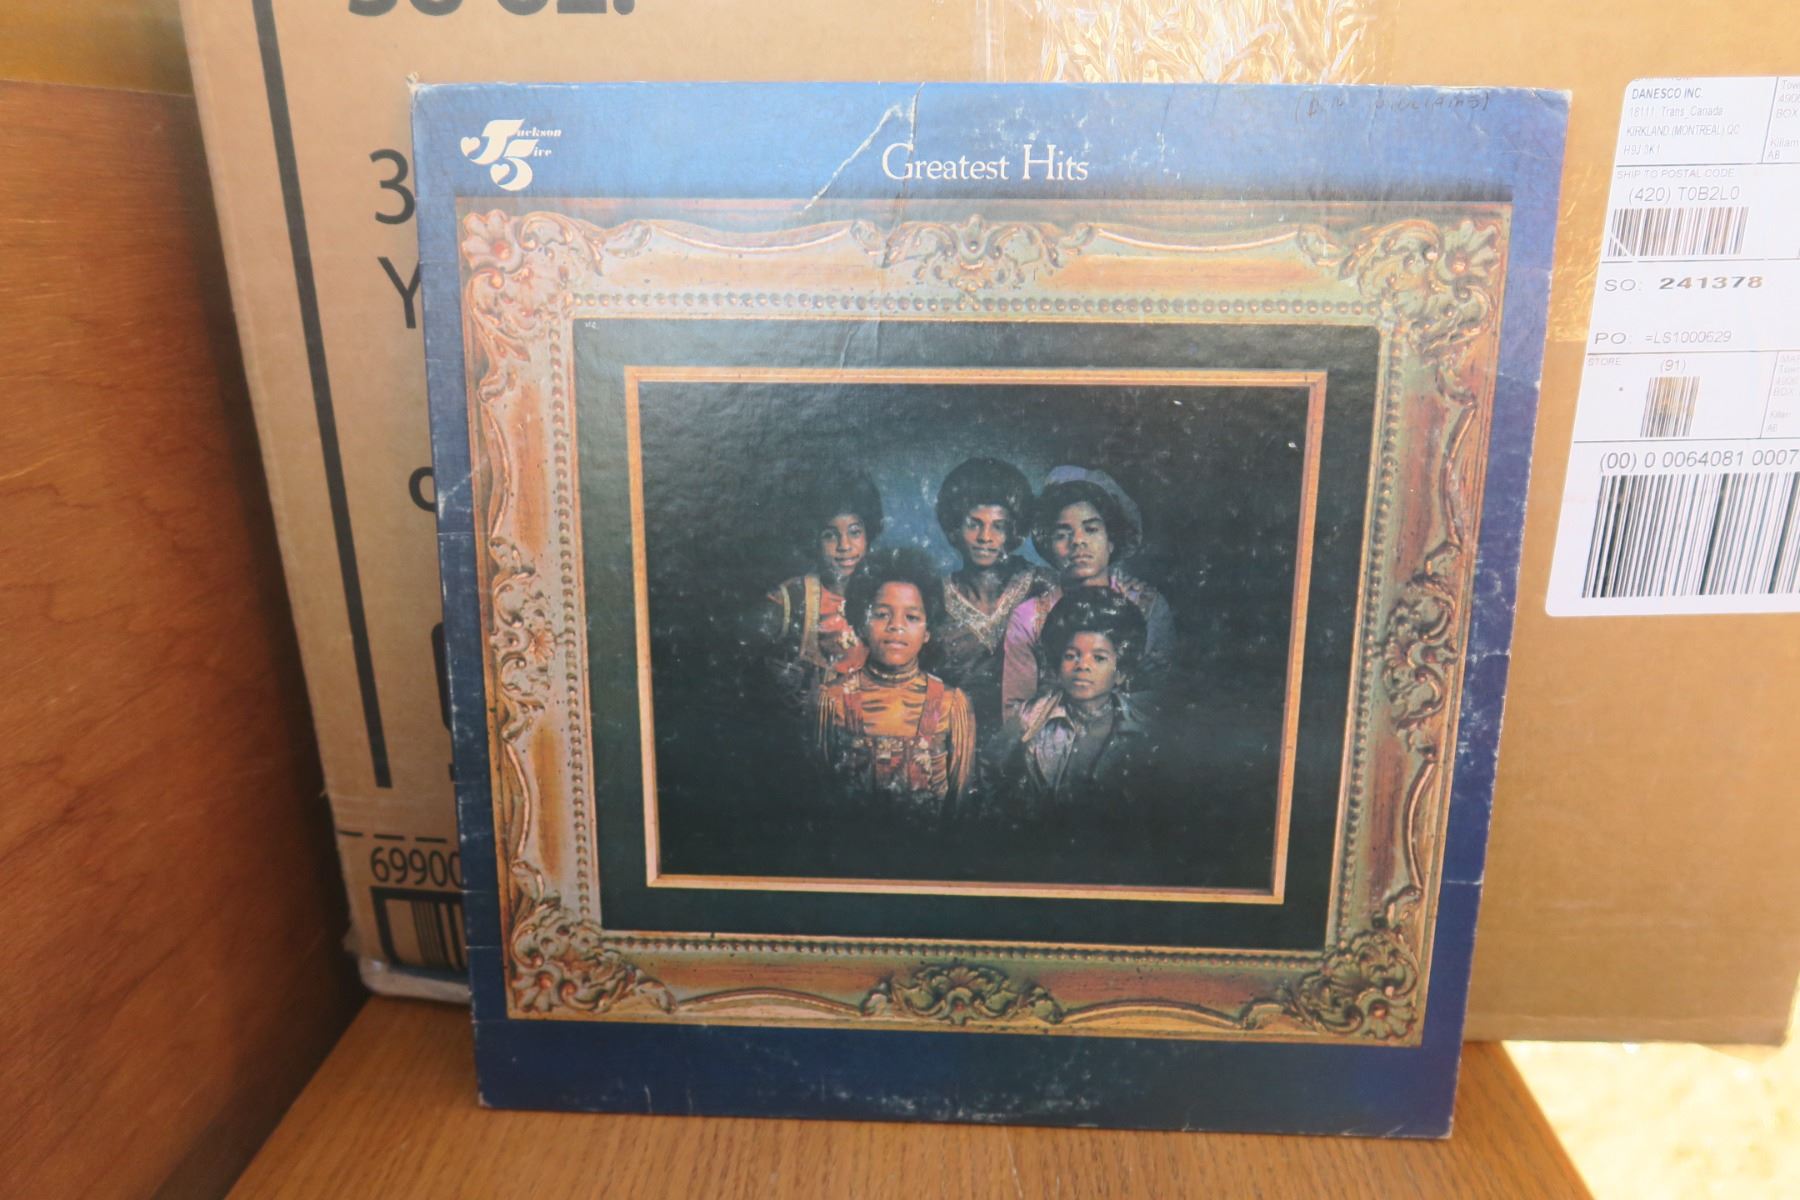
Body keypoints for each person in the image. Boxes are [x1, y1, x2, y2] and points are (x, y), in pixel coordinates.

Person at [815, 548, 975, 831]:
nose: (896, 627)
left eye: (911, 617)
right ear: (861, 624)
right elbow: (817, 794)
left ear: (928, 631)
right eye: (881, 614)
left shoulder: (950, 703)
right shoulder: (832, 699)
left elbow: (959, 805)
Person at [999, 466, 1174, 723]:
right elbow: (1015, 715)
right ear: (1049, 546)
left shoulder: (1147, 606)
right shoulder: (1029, 617)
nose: (1078, 541)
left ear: (1111, 540)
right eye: (1062, 534)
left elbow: (1165, 703)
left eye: (1091, 529)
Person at [932, 457, 1055, 732]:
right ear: (954, 528)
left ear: (1014, 532)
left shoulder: (1042, 586)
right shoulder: (933, 597)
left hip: (1034, 736)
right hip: (953, 736)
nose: (985, 537)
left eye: (998, 526)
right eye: (973, 524)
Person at [1000, 589, 1150, 812]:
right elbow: (990, 772)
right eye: (1071, 656)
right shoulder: (1029, 719)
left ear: (1121, 672)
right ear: (1058, 666)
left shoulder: (1144, 727)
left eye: (1098, 658)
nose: (1082, 666)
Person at [755, 467, 882, 720]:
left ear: (869, 534)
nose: (844, 546)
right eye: (830, 536)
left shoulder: (886, 593)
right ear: (813, 539)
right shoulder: (790, 599)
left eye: (855, 532)